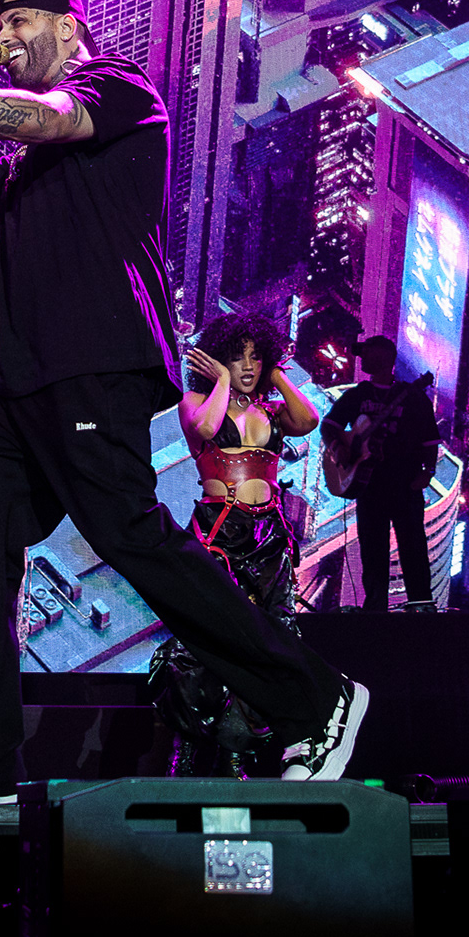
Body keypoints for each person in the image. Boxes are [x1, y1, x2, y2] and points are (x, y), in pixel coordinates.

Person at [0, 0, 366, 804]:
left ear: (70, 30)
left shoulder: (117, 89)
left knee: (133, 537)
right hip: (22, 380)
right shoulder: (32, 162)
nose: (5, 34)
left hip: (92, 362)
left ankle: (317, 701)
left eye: (21, 20)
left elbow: (49, 116)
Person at [152, 311, 320, 778]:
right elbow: (206, 430)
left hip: (269, 536)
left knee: (271, 638)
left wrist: (277, 374)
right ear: (216, 360)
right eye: (236, 356)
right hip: (218, 533)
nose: (247, 365)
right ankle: (187, 747)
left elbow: (308, 420)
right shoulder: (195, 402)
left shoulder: (272, 410)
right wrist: (223, 382)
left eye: (255, 356)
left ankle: (237, 748)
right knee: (201, 639)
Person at [321, 336, 440, 612]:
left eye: (368, 353)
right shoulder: (358, 394)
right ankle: (375, 607)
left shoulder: (413, 397)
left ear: (385, 358)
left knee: (412, 543)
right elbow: (329, 425)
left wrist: (429, 471)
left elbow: (430, 440)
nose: (362, 358)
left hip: (405, 483)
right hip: (370, 485)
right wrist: (339, 447)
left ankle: (421, 603)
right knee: (372, 548)